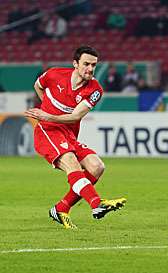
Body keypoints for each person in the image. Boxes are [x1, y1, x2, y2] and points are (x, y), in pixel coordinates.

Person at [24, 46, 126, 229]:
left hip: (67, 133)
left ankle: (61, 208)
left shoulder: (95, 89)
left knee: (97, 167)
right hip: (48, 131)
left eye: (93, 65)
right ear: (75, 64)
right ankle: (96, 204)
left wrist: (49, 115)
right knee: (71, 161)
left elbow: (76, 116)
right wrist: (46, 110)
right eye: (86, 64)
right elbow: (38, 86)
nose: (90, 69)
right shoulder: (54, 74)